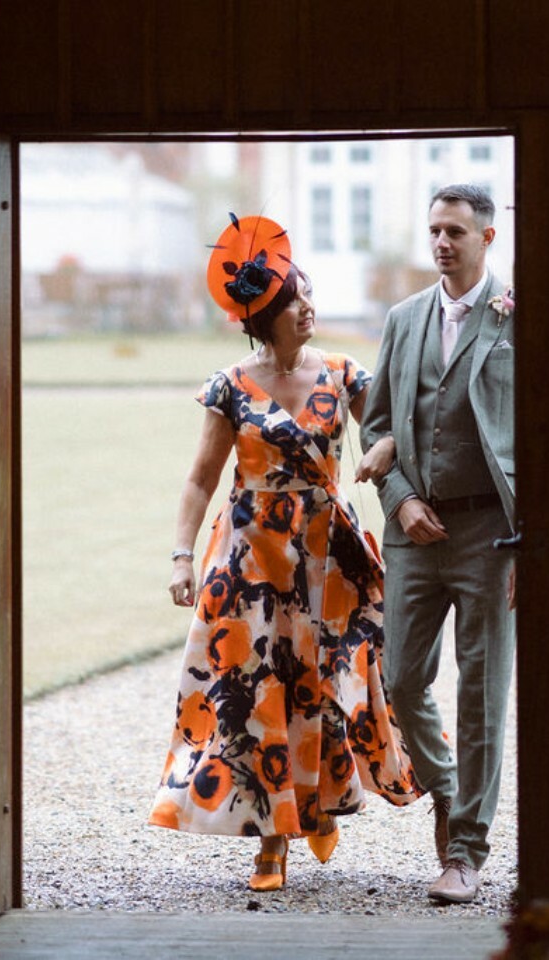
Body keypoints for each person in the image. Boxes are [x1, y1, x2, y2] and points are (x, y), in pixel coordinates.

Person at [149, 214, 423, 891]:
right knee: (258, 692)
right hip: (251, 562)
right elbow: (200, 479)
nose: (308, 308)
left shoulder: (345, 374)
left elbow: (394, 432)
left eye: (308, 294)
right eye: (294, 300)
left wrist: (388, 450)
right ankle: (273, 840)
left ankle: (318, 805)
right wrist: (181, 556)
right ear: (265, 315)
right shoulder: (229, 387)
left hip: (329, 555)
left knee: (331, 685)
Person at [359, 184, 516, 904]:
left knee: (481, 692)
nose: (442, 243)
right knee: (399, 679)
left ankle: (465, 852)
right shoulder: (403, 319)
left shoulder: (516, 316)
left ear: (487, 236)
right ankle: (450, 793)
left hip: (490, 533)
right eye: (434, 231)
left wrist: (527, 540)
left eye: (455, 231)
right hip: (414, 533)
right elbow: (376, 424)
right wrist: (401, 499)